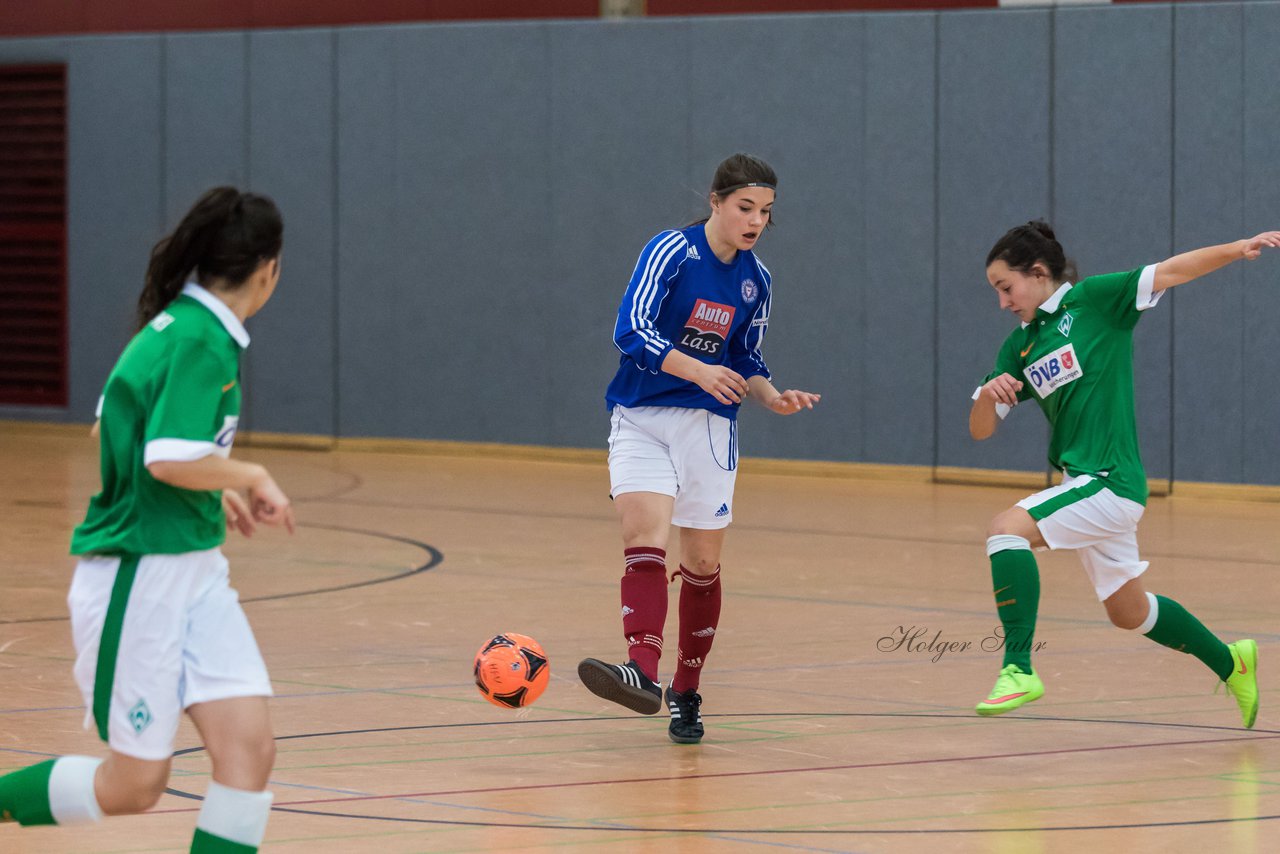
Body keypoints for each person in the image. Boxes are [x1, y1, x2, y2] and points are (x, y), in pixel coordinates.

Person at [0, 187, 294, 852]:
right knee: (135, 785)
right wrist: (246, 474)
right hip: (140, 576)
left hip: (195, 570)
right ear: (268, 268)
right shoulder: (200, 341)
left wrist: (206, 488)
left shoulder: (180, 328)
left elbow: (118, 425)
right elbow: (165, 457)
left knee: (249, 755)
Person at [970, 220, 1279, 726]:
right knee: (1128, 612)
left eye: (1007, 287)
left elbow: (1174, 270)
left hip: (1109, 480)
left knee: (1007, 531)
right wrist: (989, 393)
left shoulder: (1095, 301)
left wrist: (1236, 248)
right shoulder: (1020, 347)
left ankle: (1018, 667)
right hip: (1085, 486)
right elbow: (981, 430)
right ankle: (1232, 661)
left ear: (1040, 272)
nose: (1003, 302)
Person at [577, 154, 820, 744]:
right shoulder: (672, 251)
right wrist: (698, 369)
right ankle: (642, 670)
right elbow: (629, 330)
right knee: (643, 537)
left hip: (709, 426)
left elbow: (745, 358)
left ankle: (686, 688)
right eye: (745, 208)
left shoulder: (756, 280)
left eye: (765, 212)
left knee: (703, 564)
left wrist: (771, 395)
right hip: (641, 416)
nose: (755, 221)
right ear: (715, 202)